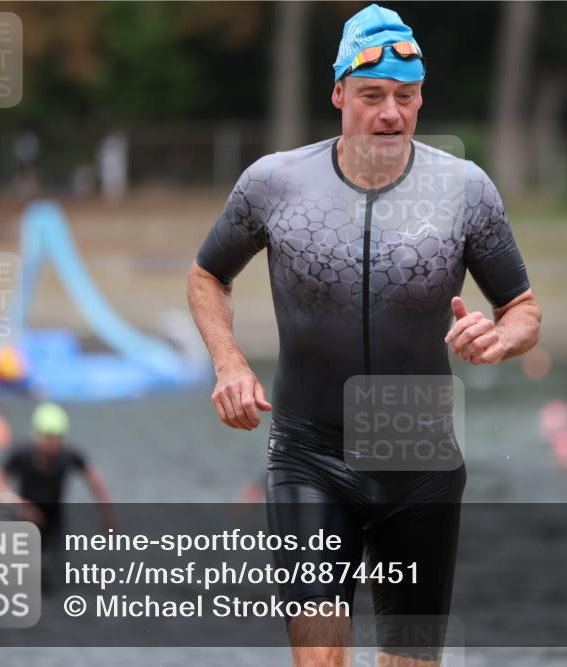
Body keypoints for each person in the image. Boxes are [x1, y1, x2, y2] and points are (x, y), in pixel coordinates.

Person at [187, 4, 541, 665]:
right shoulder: (274, 184)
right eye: (373, 95)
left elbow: (522, 305)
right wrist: (229, 362)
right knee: (321, 658)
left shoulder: (465, 190)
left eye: (405, 97)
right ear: (339, 93)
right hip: (310, 456)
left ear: (420, 99)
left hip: (420, 463)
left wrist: (502, 337)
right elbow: (207, 275)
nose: (390, 113)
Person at [0, 402, 117, 557]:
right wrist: (18, 504)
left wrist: (108, 514)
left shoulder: (69, 455)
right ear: (37, 435)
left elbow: (95, 480)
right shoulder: (21, 454)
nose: (52, 444)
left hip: (54, 523)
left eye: (57, 438)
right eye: (48, 437)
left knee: (55, 570)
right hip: (24, 521)